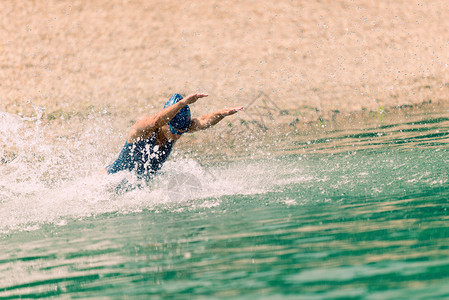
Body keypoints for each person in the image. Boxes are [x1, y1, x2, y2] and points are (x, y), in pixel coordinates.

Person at [105, 93, 243, 187]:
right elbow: (156, 121)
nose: (177, 136)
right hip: (109, 181)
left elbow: (203, 120)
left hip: (137, 189)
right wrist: (183, 103)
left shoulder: (178, 129)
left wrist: (222, 114)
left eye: (181, 133)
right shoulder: (144, 128)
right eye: (175, 131)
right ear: (165, 123)